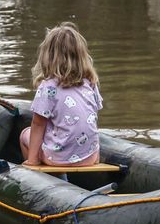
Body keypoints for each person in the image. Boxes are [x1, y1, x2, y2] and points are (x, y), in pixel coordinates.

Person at [20, 22, 102, 167]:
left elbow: (38, 123)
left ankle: (42, 175)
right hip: (90, 157)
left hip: (57, 159)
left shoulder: (49, 86)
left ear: (47, 56)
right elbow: (92, 116)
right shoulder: (90, 82)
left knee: (25, 134)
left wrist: (33, 160)